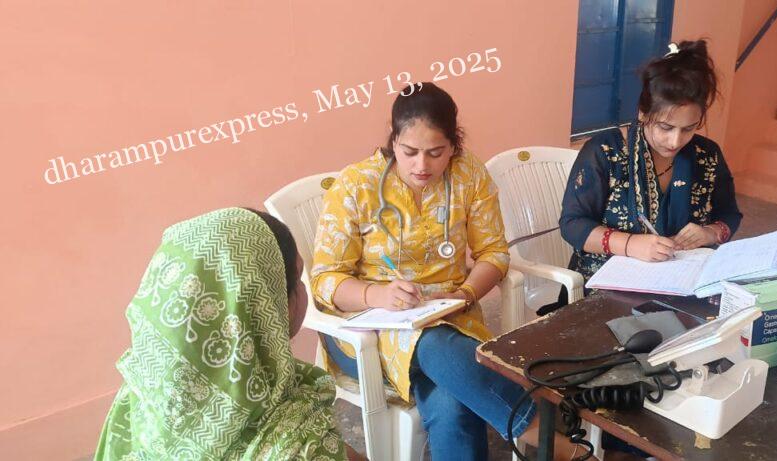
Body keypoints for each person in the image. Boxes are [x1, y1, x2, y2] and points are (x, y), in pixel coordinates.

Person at [311, 82, 574, 460]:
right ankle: (553, 442)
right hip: (367, 331)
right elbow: (325, 280)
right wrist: (378, 295)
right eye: (409, 152)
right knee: (435, 346)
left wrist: (465, 293)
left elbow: (494, 253)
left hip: (450, 315)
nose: (422, 166)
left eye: (436, 153)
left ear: (454, 144)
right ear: (393, 140)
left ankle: (552, 442)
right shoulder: (356, 186)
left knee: (451, 402)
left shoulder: (469, 176)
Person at [95, 207, 361, 460]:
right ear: (264, 308)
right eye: (298, 278)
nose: (304, 291)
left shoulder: (136, 398)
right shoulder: (301, 446)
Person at [559, 39, 743, 290]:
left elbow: (729, 213)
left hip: (683, 280)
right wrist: (630, 244)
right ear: (643, 114)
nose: (675, 141)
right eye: (665, 127)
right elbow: (572, 224)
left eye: (689, 129)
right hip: (607, 284)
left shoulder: (707, 155)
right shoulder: (605, 152)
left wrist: (711, 232)